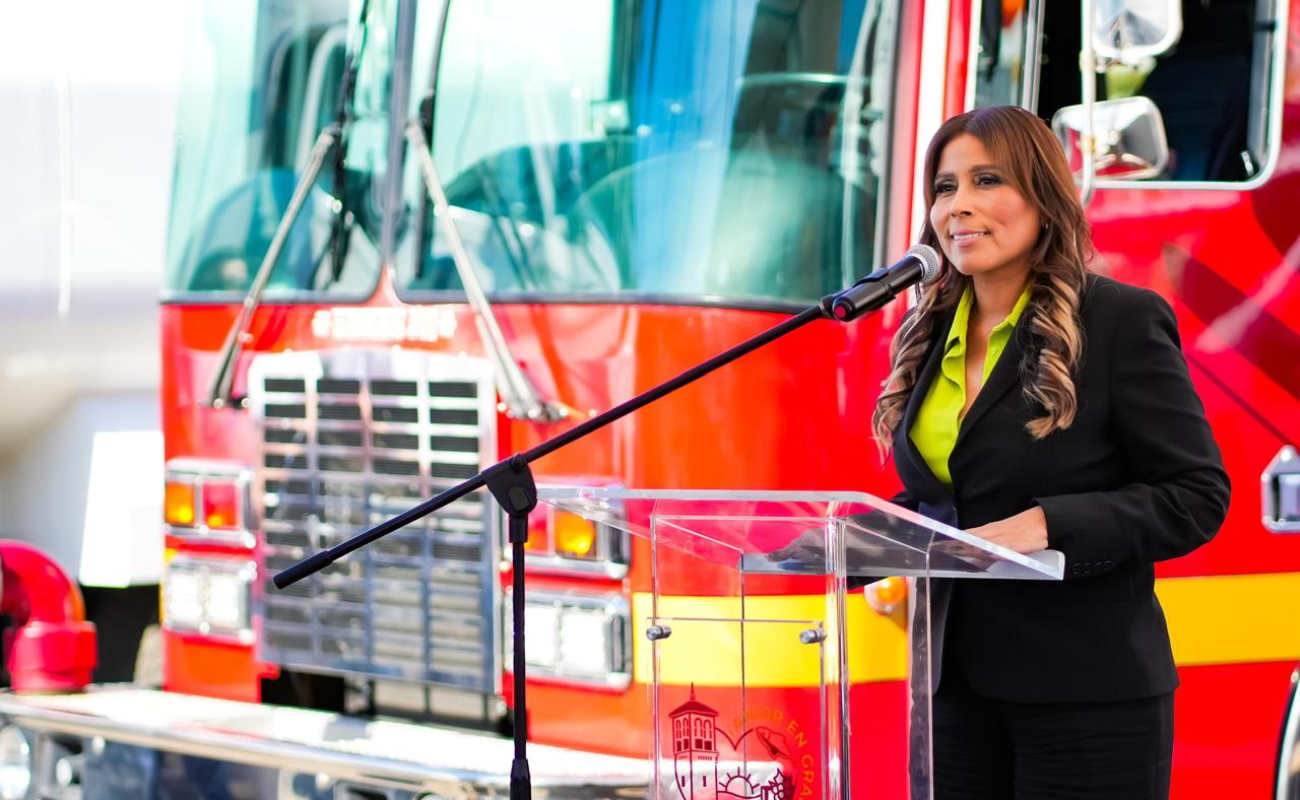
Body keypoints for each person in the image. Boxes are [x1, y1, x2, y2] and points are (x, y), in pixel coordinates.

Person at [871, 105, 1230, 799]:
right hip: (953, 691)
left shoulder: (1119, 321)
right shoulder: (928, 331)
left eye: (986, 181)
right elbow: (955, 498)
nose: (959, 207)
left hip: (1089, 697)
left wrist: (1048, 525)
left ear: (1043, 197)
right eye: (944, 188)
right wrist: (867, 533)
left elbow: (1196, 495)